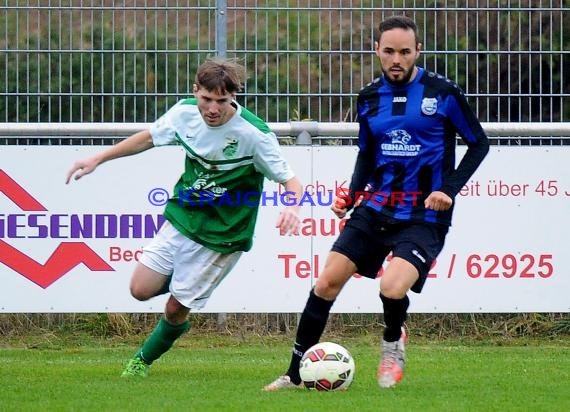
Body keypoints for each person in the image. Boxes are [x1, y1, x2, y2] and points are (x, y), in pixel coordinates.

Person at [263, 15, 489, 391]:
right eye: (389, 51)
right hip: (376, 207)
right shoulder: (369, 98)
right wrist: (351, 195)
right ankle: (294, 374)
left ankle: (392, 340)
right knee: (325, 283)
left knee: (391, 287)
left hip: (424, 213)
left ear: (418, 51)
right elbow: (367, 156)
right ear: (377, 52)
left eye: (404, 51)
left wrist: (449, 189)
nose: (396, 59)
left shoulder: (443, 93)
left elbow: (479, 143)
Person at [66, 57, 303, 377]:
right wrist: (99, 158)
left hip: (224, 233)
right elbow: (148, 137)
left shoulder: (254, 135)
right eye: (206, 99)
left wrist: (292, 205)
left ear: (234, 97)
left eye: (222, 101)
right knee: (139, 289)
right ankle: (185, 288)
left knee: (176, 307)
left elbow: (291, 181)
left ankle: (141, 362)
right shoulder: (184, 114)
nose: (213, 109)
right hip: (184, 217)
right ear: (196, 92)